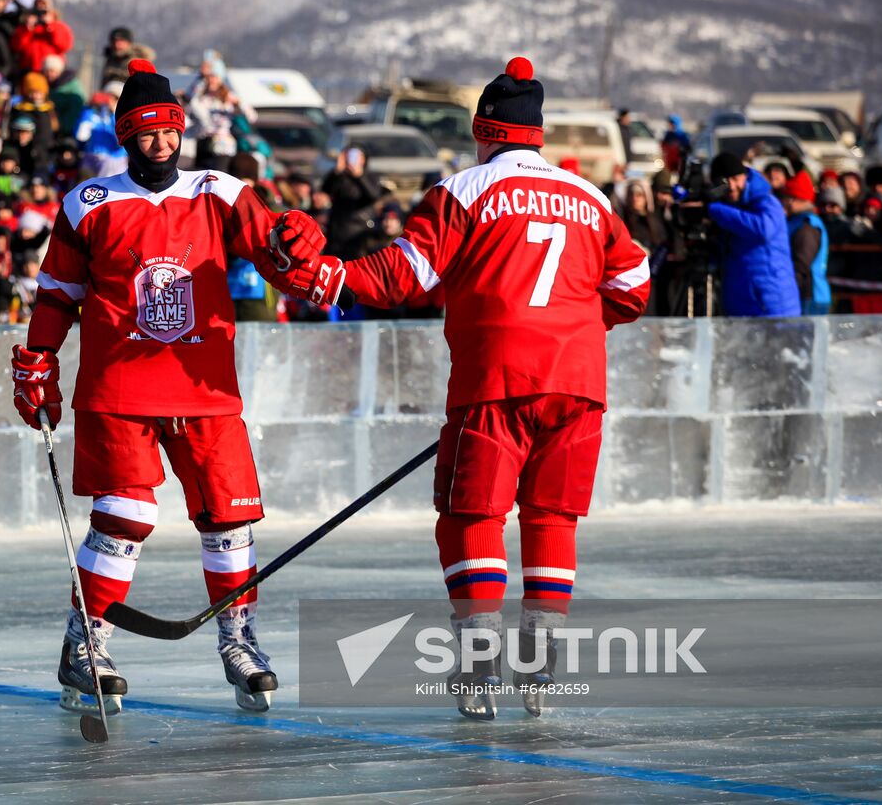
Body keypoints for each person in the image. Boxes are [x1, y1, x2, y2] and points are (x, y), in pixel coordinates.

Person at [275, 57, 650, 720]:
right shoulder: (590, 197)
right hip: (578, 382)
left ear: (484, 130)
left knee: (471, 514)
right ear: (536, 134)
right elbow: (633, 287)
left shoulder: (465, 190)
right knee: (550, 516)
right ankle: (540, 663)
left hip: (496, 378)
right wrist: (575, 327)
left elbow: (400, 276)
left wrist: (325, 278)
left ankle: (479, 659)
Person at [9, 59, 319, 717]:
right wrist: (39, 359)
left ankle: (238, 638)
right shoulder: (90, 203)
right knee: (128, 517)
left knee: (229, 519)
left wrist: (301, 243)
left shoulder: (221, 192)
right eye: (147, 133)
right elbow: (58, 293)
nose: (161, 143)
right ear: (125, 136)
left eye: (170, 131)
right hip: (120, 387)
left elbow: (277, 256)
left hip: (205, 388)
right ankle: (86, 638)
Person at [706, 151, 801, 318]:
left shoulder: (766, 201)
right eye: (725, 182)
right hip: (742, 302)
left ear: (745, 176)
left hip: (772, 303)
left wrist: (714, 210)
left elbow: (763, 229)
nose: (731, 187)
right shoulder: (731, 208)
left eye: (736, 179)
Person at [780, 171, 831, 316]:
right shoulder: (797, 222)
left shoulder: (807, 227)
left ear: (795, 199)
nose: (782, 202)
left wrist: (787, 293)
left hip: (809, 295)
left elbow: (801, 265)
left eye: (785, 197)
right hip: (805, 294)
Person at [322, 147, 384, 259]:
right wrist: (337, 172)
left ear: (363, 159)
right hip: (337, 228)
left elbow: (374, 195)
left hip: (358, 226)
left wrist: (358, 177)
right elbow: (326, 190)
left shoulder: (369, 176)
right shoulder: (341, 176)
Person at [9, 0, 73, 76]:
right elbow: (17, 46)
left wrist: (50, 27)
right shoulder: (24, 28)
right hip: (30, 70)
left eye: (44, 9)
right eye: (37, 9)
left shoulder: (59, 27)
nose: (41, 13)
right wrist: (27, 29)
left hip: (52, 72)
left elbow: (65, 46)